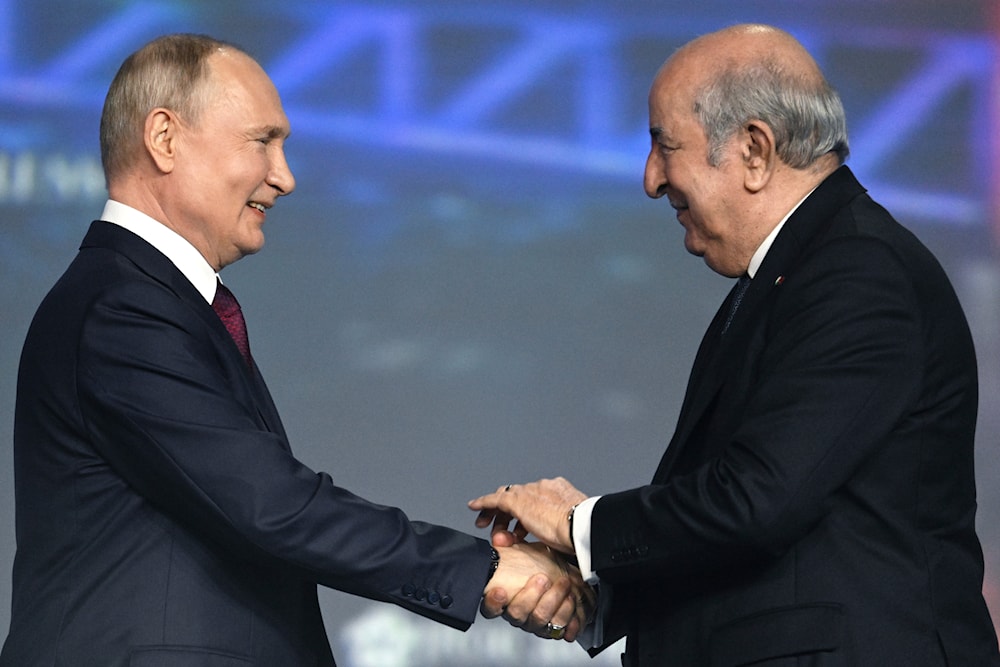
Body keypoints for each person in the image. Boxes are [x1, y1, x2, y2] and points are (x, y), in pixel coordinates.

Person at [0, 33, 592, 667]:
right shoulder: (123, 307)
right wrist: (491, 569)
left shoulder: (153, 302)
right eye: (263, 141)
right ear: (164, 138)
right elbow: (271, 505)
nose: (284, 177)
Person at [471, 23, 1000, 666]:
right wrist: (593, 596)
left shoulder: (860, 271)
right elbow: (766, 532)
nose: (650, 179)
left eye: (665, 146)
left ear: (754, 149)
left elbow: (756, 502)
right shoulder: (798, 273)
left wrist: (580, 525)